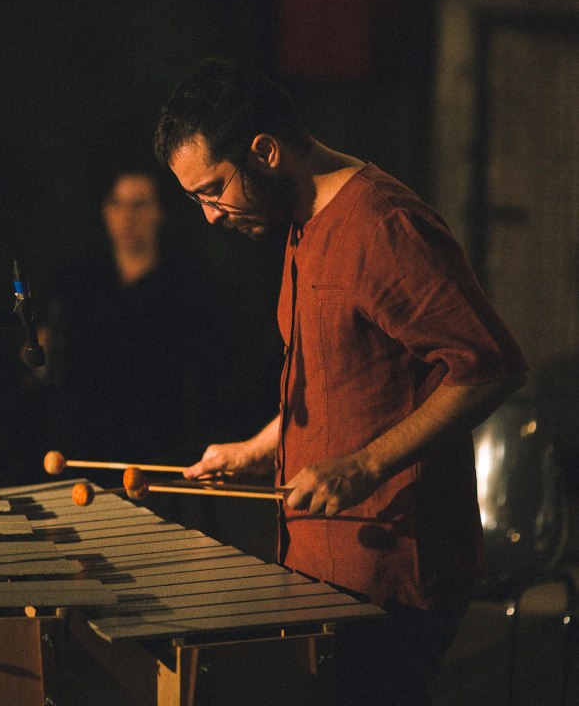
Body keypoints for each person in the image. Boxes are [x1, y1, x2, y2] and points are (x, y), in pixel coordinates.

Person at [154, 59, 527, 706]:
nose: (210, 216)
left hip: (392, 566)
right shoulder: (300, 221)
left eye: (212, 190)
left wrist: (364, 466)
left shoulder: (383, 225)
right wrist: (258, 448)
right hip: (322, 562)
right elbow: (344, 380)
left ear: (265, 151)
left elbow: (490, 366)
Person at [33, 156, 232, 510]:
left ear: (160, 212)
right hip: (80, 450)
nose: (127, 217)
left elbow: (209, 378)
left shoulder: (189, 285)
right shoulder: (74, 281)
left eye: (139, 205)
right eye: (116, 204)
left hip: (159, 457)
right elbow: (45, 361)